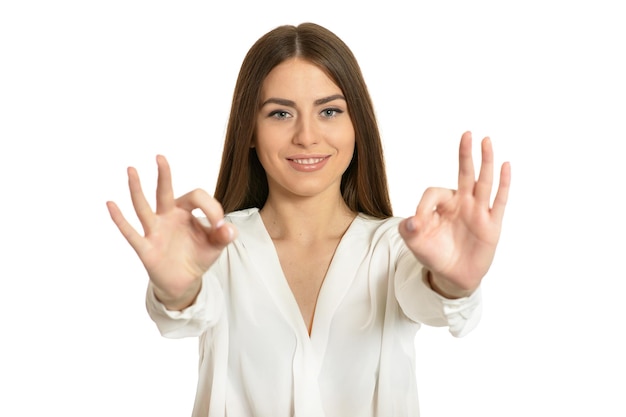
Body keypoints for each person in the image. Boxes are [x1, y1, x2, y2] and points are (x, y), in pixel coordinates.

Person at [106, 22, 510, 417]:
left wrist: (455, 283)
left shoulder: (395, 247)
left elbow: (430, 300)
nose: (306, 136)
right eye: (281, 114)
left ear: (357, 125)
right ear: (249, 129)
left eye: (330, 111)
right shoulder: (217, 248)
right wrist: (176, 292)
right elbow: (185, 313)